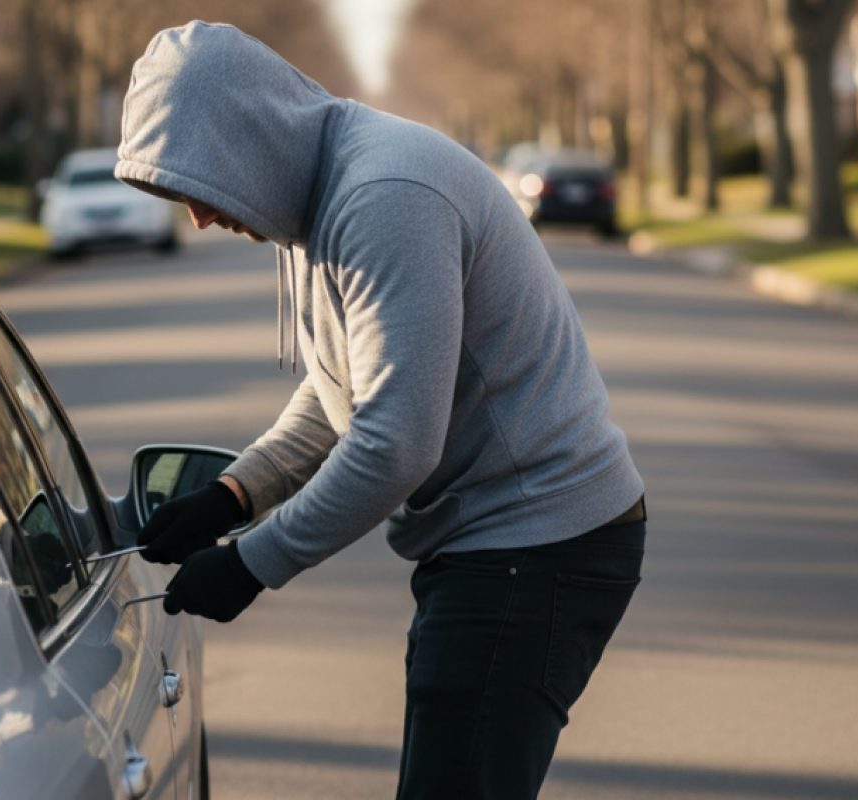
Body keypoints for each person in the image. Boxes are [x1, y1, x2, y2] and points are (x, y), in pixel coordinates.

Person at [115, 21, 646, 800]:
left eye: (192, 184)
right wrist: (234, 493)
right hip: (503, 546)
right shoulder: (322, 196)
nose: (196, 216)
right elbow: (345, 388)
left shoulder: (385, 198)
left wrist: (251, 563)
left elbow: (396, 442)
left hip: (538, 544)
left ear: (247, 136)